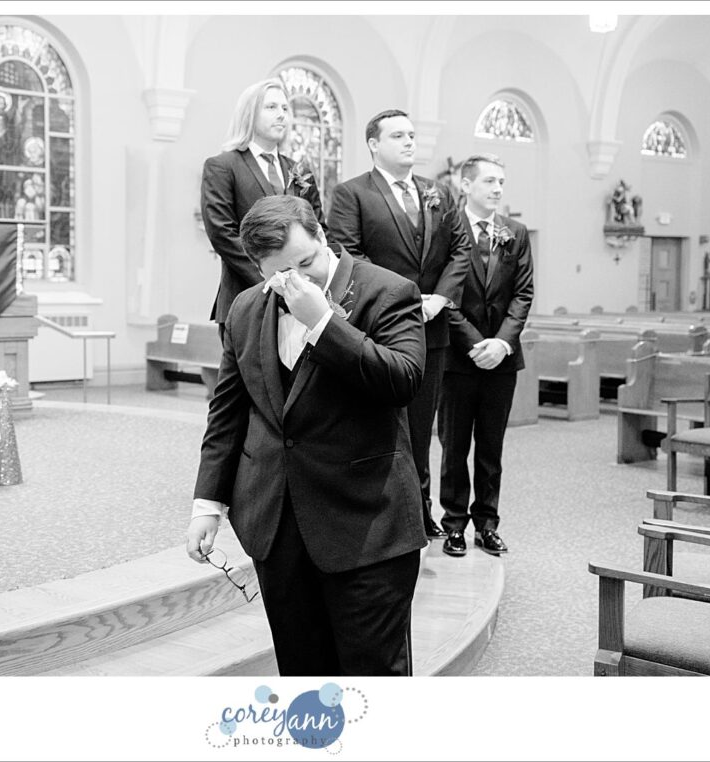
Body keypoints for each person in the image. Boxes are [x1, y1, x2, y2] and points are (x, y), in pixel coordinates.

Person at [186, 194, 427, 676]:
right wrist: (208, 504)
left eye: (307, 262)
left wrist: (323, 323)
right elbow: (228, 413)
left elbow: (403, 380)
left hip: (366, 524)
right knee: (302, 672)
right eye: (281, 273)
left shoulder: (389, 291)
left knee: (373, 676)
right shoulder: (245, 308)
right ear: (258, 269)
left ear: (321, 237)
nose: (299, 280)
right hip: (276, 526)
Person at [327, 109, 471, 541]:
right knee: (382, 424)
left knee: (422, 427)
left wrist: (440, 297)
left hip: (432, 326)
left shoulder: (438, 193)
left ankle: (420, 509)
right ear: (374, 144)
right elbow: (350, 254)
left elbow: (461, 249)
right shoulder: (352, 193)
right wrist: (404, 296)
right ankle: (382, 512)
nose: (410, 142)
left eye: (411, 135)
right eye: (398, 136)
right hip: (381, 326)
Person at [437, 153, 533, 559]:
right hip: (459, 358)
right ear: (466, 185)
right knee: (454, 446)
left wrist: (502, 343)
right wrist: (477, 343)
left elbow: (523, 293)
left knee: (492, 447)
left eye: (501, 182)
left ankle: (487, 524)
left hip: (502, 359)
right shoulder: (446, 228)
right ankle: (454, 524)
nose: (497, 189)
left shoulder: (516, 232)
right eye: (489, 181)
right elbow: (443, 293)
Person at [200, 78, 325, 340]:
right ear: (249, 114)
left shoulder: (299, 170)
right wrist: (275, 280)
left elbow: (319, 228)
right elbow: (222, 233)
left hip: (303, 300)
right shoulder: (224, 166)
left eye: (285, 108)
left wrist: (308, 279)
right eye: (271, 107)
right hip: (246, 295)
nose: (281, 114)